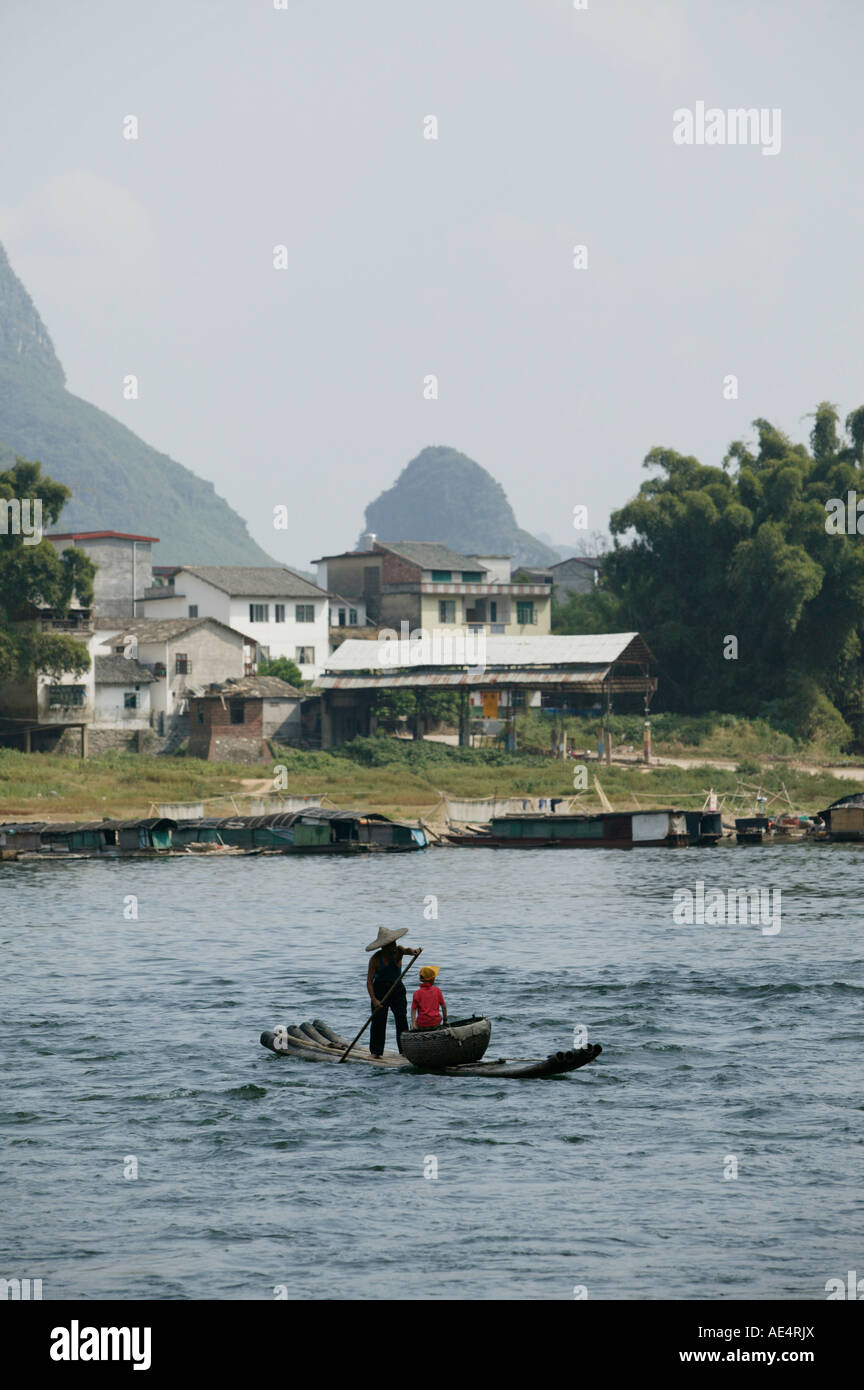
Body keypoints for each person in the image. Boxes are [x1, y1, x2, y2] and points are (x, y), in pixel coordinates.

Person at [365, 927, 421, 1057]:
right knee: (378, 1021)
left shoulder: (398, 951)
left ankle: (404, 1050)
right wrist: (374, 1000)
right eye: (391, 945)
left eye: (395, 943)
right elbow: (369, 981)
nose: (394, 947)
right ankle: (376, 1052)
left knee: (401, 1019)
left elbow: (408, 951)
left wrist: (415, 952)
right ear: (384, 947)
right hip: (380, 991)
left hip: (397, 989)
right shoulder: (375, 959)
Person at [411, 965, 447, 1031]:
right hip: (435, 1023)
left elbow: (413, 1010)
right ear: (433, 979)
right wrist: (445, 1021)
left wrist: (413, 1023)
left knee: (414, 1025)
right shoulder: (437, 990)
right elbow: (443, 1007)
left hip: (422, 1024)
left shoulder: (416, 993)